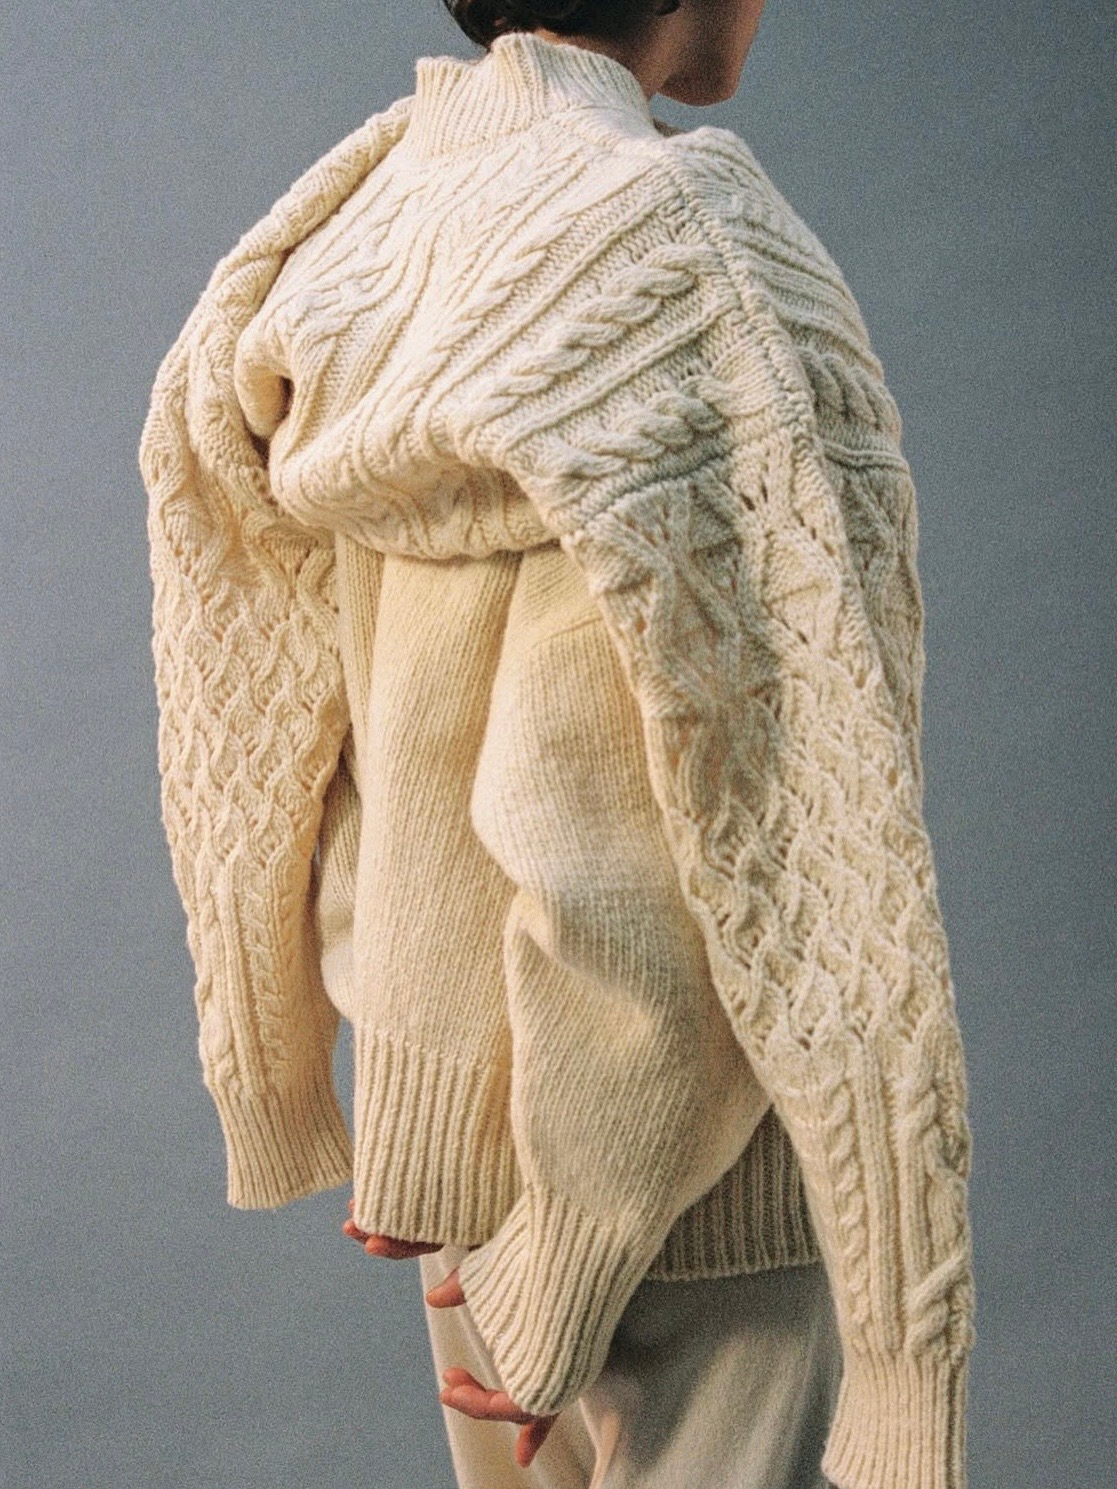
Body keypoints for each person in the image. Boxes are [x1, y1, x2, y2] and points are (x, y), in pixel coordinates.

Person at [139, 3, 976, 1487]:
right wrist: (578, 1246)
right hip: (673, 1177)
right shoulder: (689, 246)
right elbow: (701, 827)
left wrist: (410, 1098)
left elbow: (301, 712)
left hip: (460, 1157)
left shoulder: (359, 226)